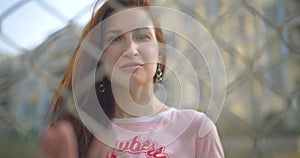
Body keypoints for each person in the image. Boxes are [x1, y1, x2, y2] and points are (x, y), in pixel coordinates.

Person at [41, 0, 224, 158]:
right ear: (100, 57)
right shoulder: (80, 134)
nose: (130, 49)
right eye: (116, 39)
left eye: (142, 36)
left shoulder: (197, 129)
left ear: (160, 54)